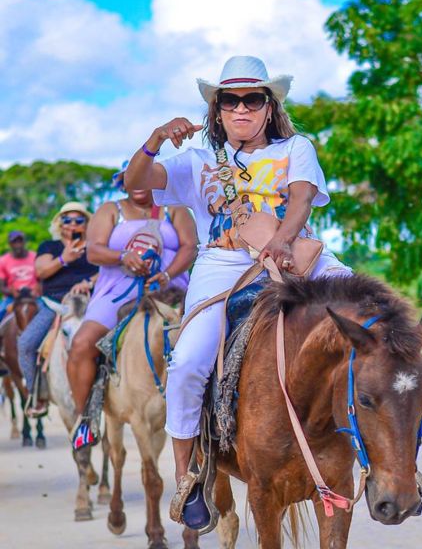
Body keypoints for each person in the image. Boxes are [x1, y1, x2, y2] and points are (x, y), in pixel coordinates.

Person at [124, 55, 351, 522]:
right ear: (218, 109)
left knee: (376, 317)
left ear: (269, 107)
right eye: (231, 100)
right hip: (223, 262)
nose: (241, 108)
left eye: (253, 99)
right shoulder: (198, 160)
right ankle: (188, 478)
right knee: (187, 363)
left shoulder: (296, 147)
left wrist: (284, 242)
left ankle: (390, 457)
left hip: (295, 251)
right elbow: (136, 182)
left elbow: (304, 196)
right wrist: (155, 140)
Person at [67, 169, 197, 448]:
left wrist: (167, 274)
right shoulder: (109, 210)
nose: (138, 185)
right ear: (122, 184)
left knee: (210, 339)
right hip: (117, 293)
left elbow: (189, 247)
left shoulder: (174, 209)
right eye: (131, 180)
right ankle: (86, 420)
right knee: (81, 343)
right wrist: (123, 256)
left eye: (144, 178)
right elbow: (94, 251)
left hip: (171, 293)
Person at [17, 203, 98, 416]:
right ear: (59, 224)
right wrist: (64, 259)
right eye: (67, 220)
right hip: (55, 305)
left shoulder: (95, 246)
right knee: (26, 343)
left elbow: (108, 270)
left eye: (78, 220)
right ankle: (37, 395)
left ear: (86, 224)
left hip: (91, 301)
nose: (72, 224)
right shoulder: (49, 247)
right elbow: (41, 270)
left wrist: (89, 282)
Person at [0, 231, 39, 322]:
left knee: (49, 314)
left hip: (33, 296)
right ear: (10, 244)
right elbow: (2, 287)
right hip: (12, 297)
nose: (18, 245)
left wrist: (36, 290)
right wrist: (13, 292)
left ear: (24, 242)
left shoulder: (35, 257)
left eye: (20, 241)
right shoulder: (3, 261)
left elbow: (41, 279)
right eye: (14, 242)